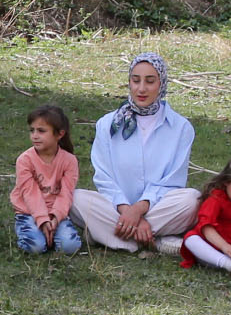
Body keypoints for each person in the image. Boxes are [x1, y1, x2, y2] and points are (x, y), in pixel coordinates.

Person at [70, 54, 201, 255]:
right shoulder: (108, 124)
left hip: (158, 208)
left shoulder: (181, 128)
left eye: (150, 81)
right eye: (135, 80)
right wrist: (127, 211)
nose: (141, 89)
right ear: (129, 82)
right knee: (75, 199)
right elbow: (104, 178)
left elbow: (172, 181)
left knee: (192, 200)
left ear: (161, 84)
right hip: (115, 209)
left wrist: (138, 211)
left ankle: (108, 235)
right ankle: (153, 241)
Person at [11, 105, 84, 256]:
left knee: (70, 247)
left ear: (59, 134)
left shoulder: (69, 161)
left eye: (41, 131)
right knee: (35, 247)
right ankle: (33, 234)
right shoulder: (25, 160)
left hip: (57, 214)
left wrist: (55, 219)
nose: (35, 136)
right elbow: (30, 194)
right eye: (32, 130)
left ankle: (52, 235)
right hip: (29, 213)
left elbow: (66, 194)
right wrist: (43, 220)